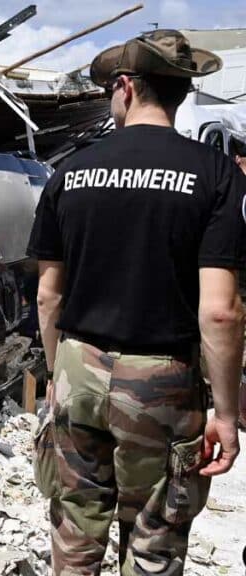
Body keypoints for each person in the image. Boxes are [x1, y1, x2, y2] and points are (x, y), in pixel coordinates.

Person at [27, 30, 246, 575]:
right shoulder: (216, 174)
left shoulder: (68, 174)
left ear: (125, 87)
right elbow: (220, 310)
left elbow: (48, 296)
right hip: (163, 382)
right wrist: (225, 411)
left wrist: (56, 375)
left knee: (75, 528)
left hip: (77, 366)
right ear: (180, 93)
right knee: (153, 538)